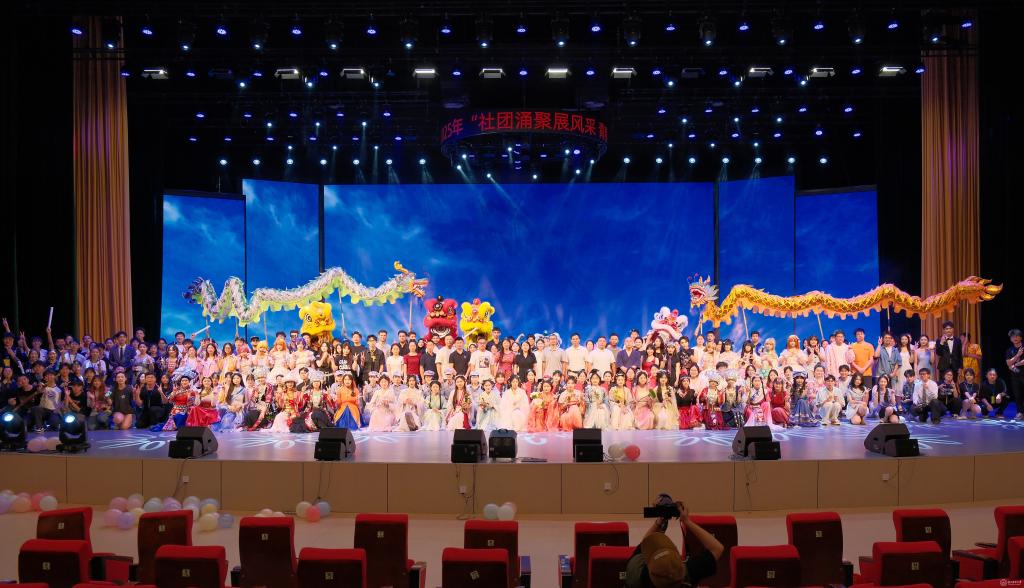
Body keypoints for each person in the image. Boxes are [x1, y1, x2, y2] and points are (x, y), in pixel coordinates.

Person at [625, 497, 722, 588]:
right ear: (681, 567)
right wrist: (687, 521)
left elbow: (645, 546)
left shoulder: (637, 577)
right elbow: (717, 548)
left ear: (650, 572)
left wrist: (658, 523)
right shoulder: (686, 574)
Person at [1005, 329, 1024, 421]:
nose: (1015, 338)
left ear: (1021, 337)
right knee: (1017, 395)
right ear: (1010, 339)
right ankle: (1020, 412)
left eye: (1016, 336)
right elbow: (1008, 363)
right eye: (1012, 337)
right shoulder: (1010, 350)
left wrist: (1015, 364)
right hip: (1015, 376)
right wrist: (1018, 355)